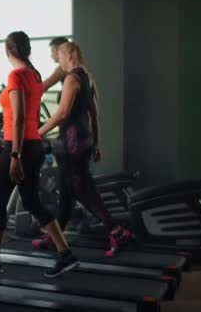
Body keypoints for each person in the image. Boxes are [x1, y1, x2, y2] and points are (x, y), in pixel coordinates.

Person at [0, 31, 80, 278]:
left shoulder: (16, 75)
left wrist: (15, 155)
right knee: (31, 201)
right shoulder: (34, 75)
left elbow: (18, 119)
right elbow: (23, 112)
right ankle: (65, 253)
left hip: (18, 147)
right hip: (34, 145)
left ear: (9, 51)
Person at [36, 42, 132, 257]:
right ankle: (55, 236)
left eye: (59, 55)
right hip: (84, 141)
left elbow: (62, 114)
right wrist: (96, 144)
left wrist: (38, 132)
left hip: (72, 144)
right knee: (66, 190)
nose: (58, 60)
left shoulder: (72, 78)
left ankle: (116, 231)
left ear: (69, 55)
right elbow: (94, 115)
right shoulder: (87, 78)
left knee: (82, 190)